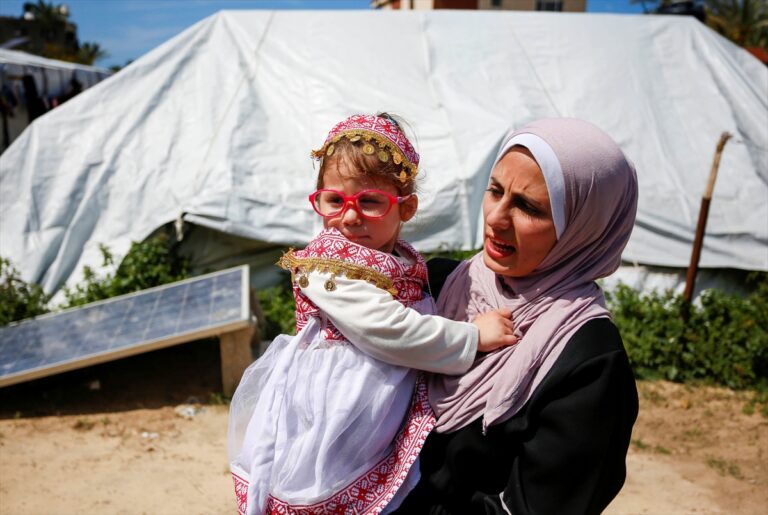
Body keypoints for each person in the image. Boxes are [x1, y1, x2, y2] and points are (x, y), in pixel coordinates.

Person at [228, 113, 517, 515]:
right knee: (325, 489)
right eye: (335, 201)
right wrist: (472, 336)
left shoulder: (401, 258)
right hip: (336, 411)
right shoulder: (328, 265)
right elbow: (389, 328)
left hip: (372, 402)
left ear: (406, 207)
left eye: (369, 202)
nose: (349, 216)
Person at [391, 117, 641, 515]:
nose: (496, 217)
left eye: (527, 206)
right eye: (495, 191)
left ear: (583, 228)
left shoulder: (589, 363)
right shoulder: (434, 284)